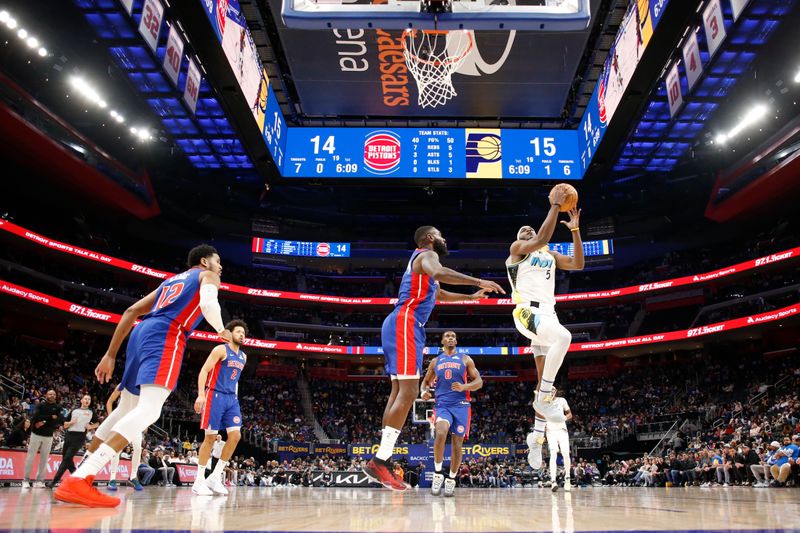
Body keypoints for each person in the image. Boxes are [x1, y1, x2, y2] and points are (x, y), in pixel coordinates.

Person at [55, 245, 232, 507]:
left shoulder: (170, 281)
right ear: (204, 262)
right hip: (167, 335)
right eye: (218, 262)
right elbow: (208, 302)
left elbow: (130, 312)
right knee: (150, 411)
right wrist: (221, 330)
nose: (221, 268)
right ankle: (80, 478)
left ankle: (81, 477)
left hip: (141, 333)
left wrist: (110, 354)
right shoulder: (207, 276)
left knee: (125, 409)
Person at [362, 226, 504, 491]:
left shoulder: (421, 268)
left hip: (398, 323)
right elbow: (440, 273)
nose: (445, 239)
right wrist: (478, 281)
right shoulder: (427, 255)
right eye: (440, 235)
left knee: (397, 391)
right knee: (409, 391)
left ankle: (384, 458)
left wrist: (470, 298)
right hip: (406, 322)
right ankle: (380, 460)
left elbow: (438, 293)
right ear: (429, 239)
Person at [508, 188, 583, 469]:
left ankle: (536, 440)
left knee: (543, 381)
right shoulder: (517, 252)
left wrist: (574, 230)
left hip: (548, 314)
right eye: (522, 230)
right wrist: (554, 205)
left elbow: (577, 263)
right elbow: (541, 237)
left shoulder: (549, 254)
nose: (526, 230)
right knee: (565, 337)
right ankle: (543, 399)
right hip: (526, 311)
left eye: (529, 228)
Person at [420, 331, 482, 497]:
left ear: (456, 340)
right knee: (440, 432)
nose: (451, 338)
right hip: (442, 405)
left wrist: (464, 387)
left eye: (453, 336)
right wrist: (423, 392)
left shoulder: (465, 359)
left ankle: (452, 479)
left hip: (461, 406)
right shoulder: (435, 361)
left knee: (457, 444)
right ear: (442, 340)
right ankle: (438, 473)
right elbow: (425, 382)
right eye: (447, 336)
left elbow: (479, 382)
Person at [192, 320, 248, 496]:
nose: (241, 335)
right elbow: (204, 371)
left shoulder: (244, 357)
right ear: (230, 334)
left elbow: (234, 379)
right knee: (209, 438)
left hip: (231, 399)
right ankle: (199, 480)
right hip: (214, 395)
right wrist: (201, 394)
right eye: (238, 332)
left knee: (236, 436)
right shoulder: (220, 350)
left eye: (243, 333)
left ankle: (214, 477)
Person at [104, 385, 144, 491]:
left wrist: (145, 423)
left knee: (138, 449)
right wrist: (111, 418)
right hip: (121, 421)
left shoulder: (144, 385)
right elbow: (110, 401)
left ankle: (133, 477)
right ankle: (112, 479)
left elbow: (145, 407)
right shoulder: (123, 383)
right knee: (117, 450)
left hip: (135, 423)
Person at [52, 394, 98, 486]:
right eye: (85, 399)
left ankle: (53, 482)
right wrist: (71, 422)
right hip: (69, 435)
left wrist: (91, 426)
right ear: (81, 400)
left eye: (89, 399)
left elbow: (97, 423)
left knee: (66, 459)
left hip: (80, 437)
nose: (87, 400)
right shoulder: (74, 410)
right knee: (67, 459)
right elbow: (65, 425)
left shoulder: (91, 412)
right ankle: (79, 478)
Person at [23, 389, 65, 488]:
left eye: (54, 394)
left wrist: (44, 421)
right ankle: (25, 480)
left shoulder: (58, 407)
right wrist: (50, 418)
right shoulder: (41, 405)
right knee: (30, 457)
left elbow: (59, 420)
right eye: (50, 394)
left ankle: (39, 480)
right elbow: (35, 417)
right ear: (46, 395)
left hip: (49, 436)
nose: (52, 395)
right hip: (36, 434)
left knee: (44, 459)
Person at [542, 392, 572, 492]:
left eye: (553, 390)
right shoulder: (544, 402)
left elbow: (570, 414)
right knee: (553, 453)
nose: (551, 392)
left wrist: (564, 418)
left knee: (565, 454)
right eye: (549, 390)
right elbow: (541, 418)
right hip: (551, 432)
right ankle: (553, 481)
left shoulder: (562, 400)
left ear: (555, 391)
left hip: (562, 430)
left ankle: (567, 478)